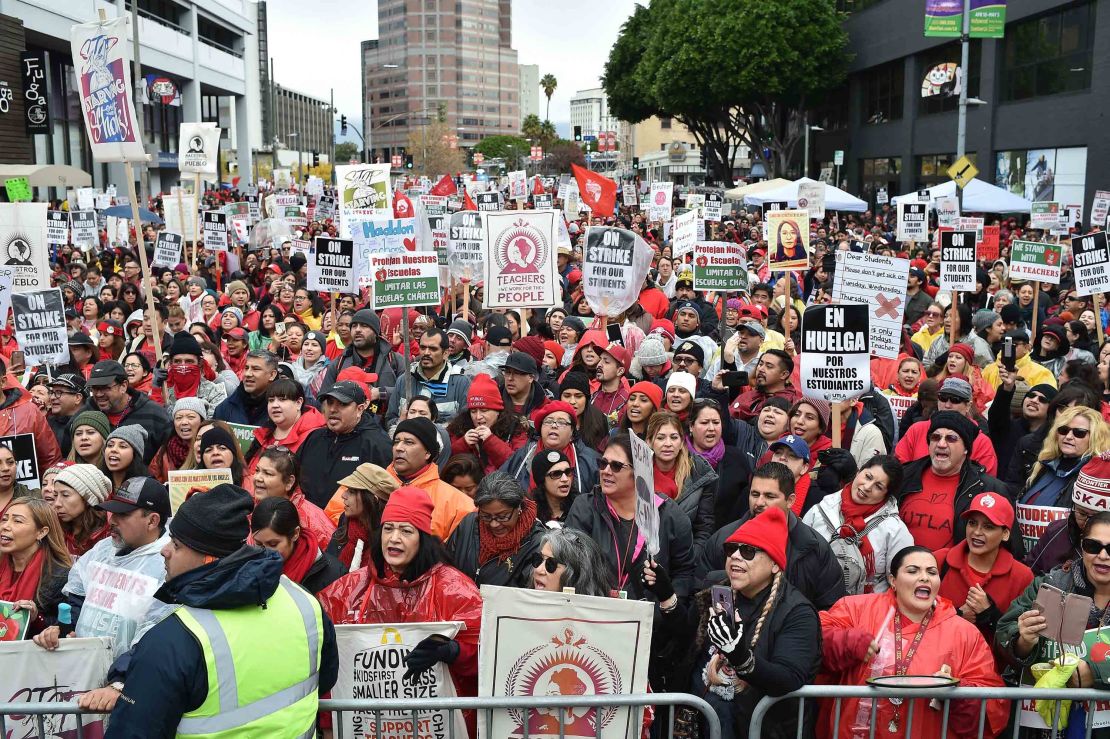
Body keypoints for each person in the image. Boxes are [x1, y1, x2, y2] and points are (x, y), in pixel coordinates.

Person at [105, 483, 339, 736]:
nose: (164, 550)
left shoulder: (173, 640)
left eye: (177, 544)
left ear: (209, 559)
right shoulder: (303, 601)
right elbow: (324, 677)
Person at [819, 546, 1008, 739]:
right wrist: (850, 642)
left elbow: (992, 701)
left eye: (932, 572)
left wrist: (958, 692)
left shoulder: (965, 632)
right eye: (913, 570)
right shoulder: (856, 609)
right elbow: (815, 639)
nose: (925, 577)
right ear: (893, 580)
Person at [317, 486, 483, 699]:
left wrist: (453, 651)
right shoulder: (352, 587)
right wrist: (329, 722)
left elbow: (485, 654)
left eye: (406, 530)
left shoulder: (454, 588)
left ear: (422, 538)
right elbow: (326, 656)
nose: (394, 538)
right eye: (388, 529)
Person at [683, 506, 821, 739]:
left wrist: (740, 658)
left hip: (764, 730)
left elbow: (788, 678)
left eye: (748, 551)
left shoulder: (798, 612)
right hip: (708, 725)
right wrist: (668, 599)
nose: (735, 556)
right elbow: (683, 644)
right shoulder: (716, 590)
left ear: (775, 564)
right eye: (731, 549)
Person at [34, 477, 172, 664]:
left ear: (152, 521)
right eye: (112, 512)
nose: (112, 520)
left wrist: (120, 677)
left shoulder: (167, 564)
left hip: (128, 678)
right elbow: (77, 594)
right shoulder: (103, 550)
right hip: (84, 667)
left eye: (122, 514)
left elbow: (158, 636)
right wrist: (64, 629)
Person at [564, 432, 694, 602]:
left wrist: (664, 611)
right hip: (593, 615)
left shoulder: (670, 515)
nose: (606, 471)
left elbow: (684, 574)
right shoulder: (585, 507)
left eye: (616, 466)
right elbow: (568, 562)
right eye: (603, 463)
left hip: (648, 622)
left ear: (639, 472)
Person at [698, 461, 846, 609]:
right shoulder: (723, 539)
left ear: (790, 500)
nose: (759, 502)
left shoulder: (814, 548)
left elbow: (832, 608)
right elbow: (699, 595)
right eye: (755, 494)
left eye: (769, 496)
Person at [998, 512, 1110, 695]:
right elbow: (1003, 634)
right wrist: (1022, 642)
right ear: (1082, 547)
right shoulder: (1050, 585)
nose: (1103, 555)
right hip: (1042, 715)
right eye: (1093, 546)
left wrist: (1096, 674)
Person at [898, 411, 1010, 551]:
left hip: (954, 572)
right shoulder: (903, 476)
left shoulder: (988, 489)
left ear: (965, 449)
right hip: (901, 570)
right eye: (935, 437)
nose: (941, 444)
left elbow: (1009, 548)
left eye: (951, 438)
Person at [935, 492, 1033, 649]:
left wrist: (990, 614)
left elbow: (1020, 642)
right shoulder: (940, 560)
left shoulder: (1022, 576)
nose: (977, 532)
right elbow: (917, 615)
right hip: (940, 666)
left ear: (1005, 534)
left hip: (993, 671)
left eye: (988, 526)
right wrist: (956, 615)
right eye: (972, 523)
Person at [803, 455, 912, 595]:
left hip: (864, 610)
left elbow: (901, 581)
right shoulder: (820, 510)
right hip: (813, 599)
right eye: (868, 476)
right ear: (858, 471)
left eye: (878, 486)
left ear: (886, 495)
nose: (867, 487)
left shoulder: (894, 529)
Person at [296, 379, 392, 509]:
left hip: (348, 525)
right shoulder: (314, 438)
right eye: (329, 403)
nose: (333, 409)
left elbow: (384, 497)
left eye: (342, 404)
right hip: (306, 522)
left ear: (360, 409)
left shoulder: (377, 445)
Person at [1018, 407, 1108, 536]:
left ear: (1095, 437)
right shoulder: (1043, 466)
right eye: (1063, 430)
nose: (1069, 436)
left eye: (1079, 433)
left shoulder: (1095, 478)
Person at [448, 472, 544, 587]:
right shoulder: (469, 524)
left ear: (519, 507)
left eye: (502, 517)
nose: (494, 524)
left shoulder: (537, 542)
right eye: (486, 516)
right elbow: (446, 568)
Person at [388, 416, 476, 540]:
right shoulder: (370, 486)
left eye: (409, 442)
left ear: (428, 453)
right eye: (396, 441)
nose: (399, 448)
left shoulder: (459, 504)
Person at [895, 377, 998, 476]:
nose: (947, 405)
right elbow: (899, 467)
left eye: (955, 400)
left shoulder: (981, 442)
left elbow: (985, 483)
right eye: (943, 398)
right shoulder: (916, 430)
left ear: (968, 406)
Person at [1026, 454, 1108, 575]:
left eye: (1097, 518)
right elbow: (1027, 574)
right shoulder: (1055, 531)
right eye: (1082, 513)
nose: (1087, 523)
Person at [648, 411, 718, 551]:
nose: (668, 444)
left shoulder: (699, 472)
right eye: (661, 438)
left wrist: (691, 558)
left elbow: (704, 528)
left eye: (674, 437)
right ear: (649, 442)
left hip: (684, 555)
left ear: (681, 442)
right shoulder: (637, 470)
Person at [0, 499, 70, 637]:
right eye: (4, 519)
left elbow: (65, 630)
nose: (5, 526)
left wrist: (35, 617)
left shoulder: (60, 575)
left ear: (41, 532)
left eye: (17, 521)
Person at [501, 401, 600, 494]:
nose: (554, 426)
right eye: (548, 421)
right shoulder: (523, 455)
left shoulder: (590, 460)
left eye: (561, 422)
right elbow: (500, 485)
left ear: (572, 431)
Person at [251, 496, 345, 595]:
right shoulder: (247, 566)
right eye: (259, 544)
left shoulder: (334, 576)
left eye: (273, 544)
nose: (265, 553)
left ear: (295, 534)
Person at [85, 359, 171, 463]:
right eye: (94, 388)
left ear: (123, 386)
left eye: (105, 388)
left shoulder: (155, 415)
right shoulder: (85, 414)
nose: (98, 394)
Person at [243, 377, 325, 486]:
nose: (275, 405)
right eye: (271, 400)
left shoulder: (315, 437)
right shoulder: (263, 435)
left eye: (282, 399)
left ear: (299, 403)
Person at [251, 447, 335, 551]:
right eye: (257, 470)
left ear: (289, 482)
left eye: (268, 473)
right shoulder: (248, 508)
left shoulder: (313, 521)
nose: (257, 478)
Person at [320, 308, 402, 414]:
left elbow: (408, 392)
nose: (358, 330)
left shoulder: (395, 360)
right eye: (354, 326)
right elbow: (323, 398)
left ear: (376, 332)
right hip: (347, 425)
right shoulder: (339, 362)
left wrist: (380, 393)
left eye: (364, 325)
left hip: (385, 425)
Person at [446, 373, 529, 474]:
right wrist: (463, 444)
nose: (478, 417)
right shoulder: (459, 428)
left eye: (484, 410)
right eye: (473, 411)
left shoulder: (515, 428)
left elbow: (518, 465)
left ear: (498, 411)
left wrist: (491, 441)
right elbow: (446, 462)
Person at [386, 328, 471, 426]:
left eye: (433, 349)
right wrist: (400, 423)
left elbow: (465, 424)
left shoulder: (460, 383)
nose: (426, 353)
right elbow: (389, 419)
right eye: (423, 348)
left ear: (445, 353)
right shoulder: (404, 380)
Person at [324, 462, 398, 570]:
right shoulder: (345, 522)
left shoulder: (388, 540)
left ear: (373, 500)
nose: (344, 496)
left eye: (352, 492)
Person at [158, 331, 228, 417]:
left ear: (199, 364)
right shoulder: (164, 391)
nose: (183, 366)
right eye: (177, 361)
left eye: (189, 361)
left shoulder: (215, 392)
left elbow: (214, 424)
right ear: (171, 364)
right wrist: (156, 389)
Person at [530, 527, 615, 596]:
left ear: (576, 575)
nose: (538, 570)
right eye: (538, 559)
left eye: (551, 564)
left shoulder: (600, 616)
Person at [49, 463, 112, 557]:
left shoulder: (110, 533)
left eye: (65, 495)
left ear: (88, 498)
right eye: (55, 495)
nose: (57, 503)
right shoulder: (54, 528)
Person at [729, 349, 800, 421]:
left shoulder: (792, 404)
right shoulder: (747, 396)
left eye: (769, 366)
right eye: (760, 364)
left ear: (784, 374)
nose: (761, 369)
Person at [212, 350, 279, 426]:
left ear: (272, 375)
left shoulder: (282, 409)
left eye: (256, 369)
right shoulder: (224, 408)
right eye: (246, 368)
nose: (248, 374)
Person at [149, 397, 206, 482]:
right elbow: (154, 479)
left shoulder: (209, 448)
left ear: (202, 421)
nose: (184, 422)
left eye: (190, 417)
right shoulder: (163, 451)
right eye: (179, 418)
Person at [530, 449, 578, 526]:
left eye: (568, 472)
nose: (565, 479)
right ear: (541, 480)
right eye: (556, 474)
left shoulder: (582, 509)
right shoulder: (531, 516)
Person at [46, 373, 87, 456]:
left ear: (78, 398)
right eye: (52, 392)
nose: (53, 397)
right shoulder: (47, 423)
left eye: (59, 392)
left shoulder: (91, 424)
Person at [103, 426, 152, 491]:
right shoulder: (97, 483)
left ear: (135, 453)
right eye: (110, 445)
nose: (113, 449)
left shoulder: (147, 488)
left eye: (122, 446)